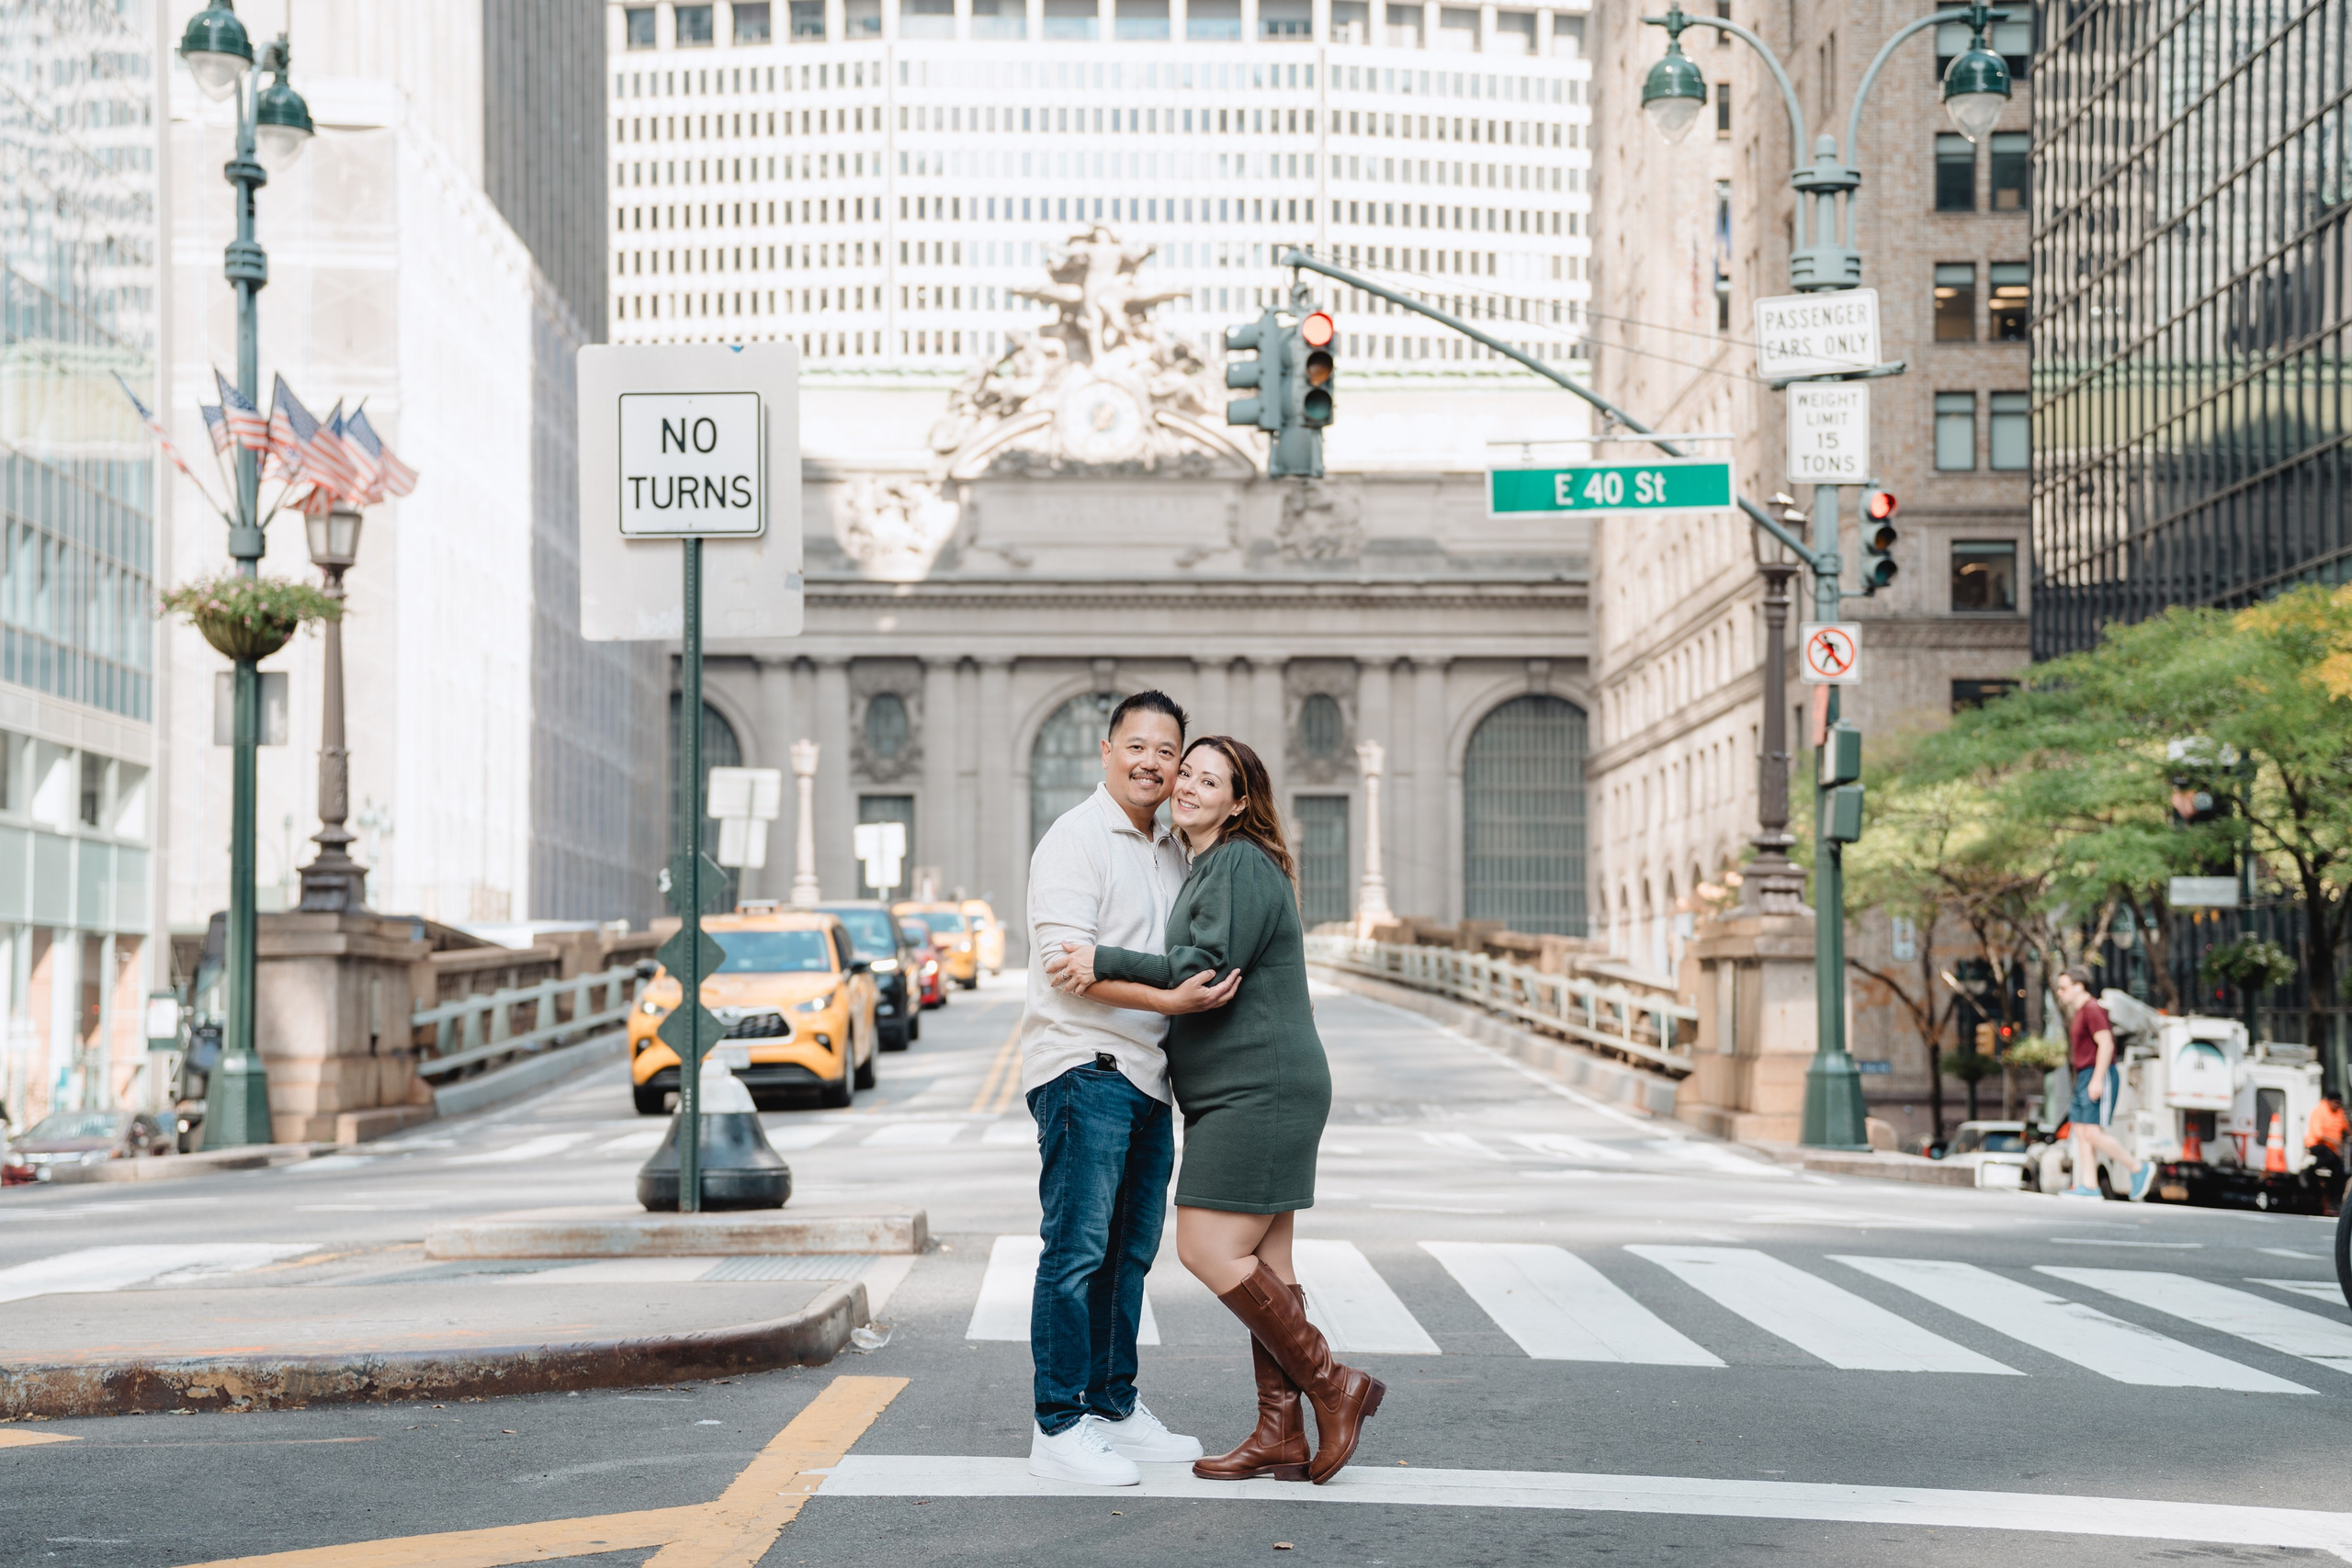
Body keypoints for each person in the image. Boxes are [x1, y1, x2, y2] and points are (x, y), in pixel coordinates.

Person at [1047, 736, 1383, 1486]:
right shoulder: (1214, 864)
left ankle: (1334, 1384)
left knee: (1206, 1248)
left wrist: (1101, 958)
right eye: (1187, 775)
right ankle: (1280, 1433)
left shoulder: (1235, 862)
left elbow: (1202, 970)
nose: (1189, 786)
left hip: (1256, 1089)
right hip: (1253, 1085)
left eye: (1209, 780)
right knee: (1271, 1266)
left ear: (1238, 802)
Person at [1020, 691, 1241, 1488]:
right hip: (1083, 1067)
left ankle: (1112, 1405)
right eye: (1137, 745)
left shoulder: (1173, 847)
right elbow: (1068, 966)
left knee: (1128, 1257)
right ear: (1107, 750)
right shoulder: (1075, 838)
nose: (1152, 762)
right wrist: (1172, 1000)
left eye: (1167, 751)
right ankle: (1057, 1423)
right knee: (1076, 1251)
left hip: (1149, 1076)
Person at [2052, 967, 2154, 1201]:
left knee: (2092, 1132)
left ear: (2079, 986)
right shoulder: (2081, 1012)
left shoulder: (2092, 1009)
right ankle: (2090, 1185)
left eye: (2063, 988)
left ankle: (2138, 1168)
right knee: (2080, 1130)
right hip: (2084, 1074)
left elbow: (2106, 1044)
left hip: (2097, 1073)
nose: (2060, 992)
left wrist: (2097, 1079)